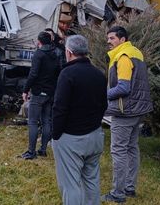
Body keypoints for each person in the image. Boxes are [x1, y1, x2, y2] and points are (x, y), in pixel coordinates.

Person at [52, 34, 107, 205]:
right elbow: (103, 105)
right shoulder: (99, 74)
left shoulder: (67, 74)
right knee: (91, 181)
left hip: (71, 138)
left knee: (70, 185)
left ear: (69, 52)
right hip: (95, 136)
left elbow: (59, 108)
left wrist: (56, 135)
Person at [102, 26, 153, 203]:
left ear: (122, 40)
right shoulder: (136, 53)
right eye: (108, 38)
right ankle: (129, 188)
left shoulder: (122, 57)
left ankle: (118, 193)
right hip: (138, 110)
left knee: (119, 150)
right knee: (132, 148)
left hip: (125, 111)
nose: (108, 41)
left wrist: (101, 95)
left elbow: (123, 87)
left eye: (112, 38)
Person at [21, 31, 61, 160]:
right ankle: (43, 149)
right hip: (50, 92)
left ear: (39, 41)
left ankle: (31, 152)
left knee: (32, 121)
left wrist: (25, 90)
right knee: (46, 121)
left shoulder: (39, 54)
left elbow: (33, 74)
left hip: (38, 92)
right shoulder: (56, 53)